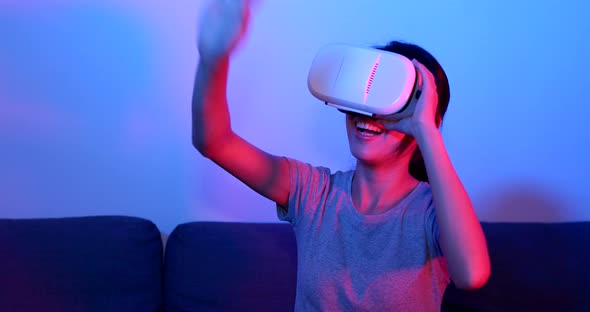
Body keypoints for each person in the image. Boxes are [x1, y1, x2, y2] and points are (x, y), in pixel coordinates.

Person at [193, 0, 491, 310]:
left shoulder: (433, 212)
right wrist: (213, 59)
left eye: (389, 100)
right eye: (363, 94)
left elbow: (471, 275)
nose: (368, 115)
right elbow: (215, 142)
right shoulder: (313, 192)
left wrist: (427, 131)